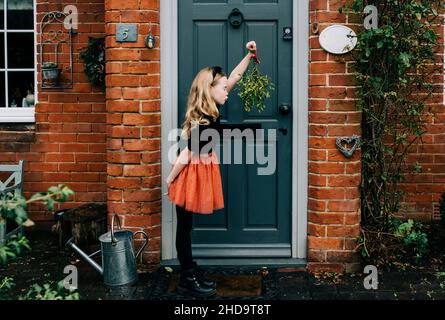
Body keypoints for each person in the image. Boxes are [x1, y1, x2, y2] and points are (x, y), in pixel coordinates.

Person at [165, 41, 258, 298]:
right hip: (190, 174)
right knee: (184, 227)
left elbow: (236, 76)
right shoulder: (204, 120)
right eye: (223, 86)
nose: (228, 89)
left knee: (187, 226)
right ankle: (187, 279)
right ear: (210, 89)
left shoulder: (212, 108)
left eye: (227, 85)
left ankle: (190, 272)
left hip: (200, 170)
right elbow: (187, 154)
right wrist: (170, 180)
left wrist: (249, 56)